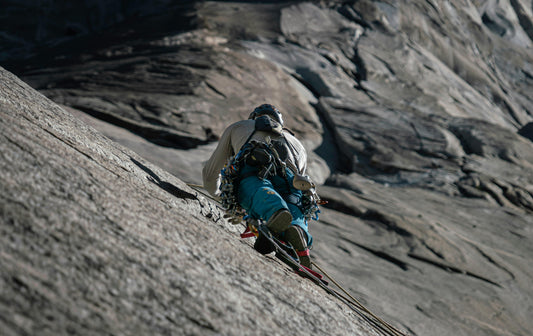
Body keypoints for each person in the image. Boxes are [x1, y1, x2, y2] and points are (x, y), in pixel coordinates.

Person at [202, 104, 317, 267]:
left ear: (253, 117)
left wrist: (221, 196)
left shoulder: (240, 126)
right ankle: (298, 234)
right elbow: (300, 183)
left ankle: (276, 212)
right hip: (292, 179)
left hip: (255, 165)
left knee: (257, 189)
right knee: (293, 204)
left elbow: (210, 173)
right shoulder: (297, 144)